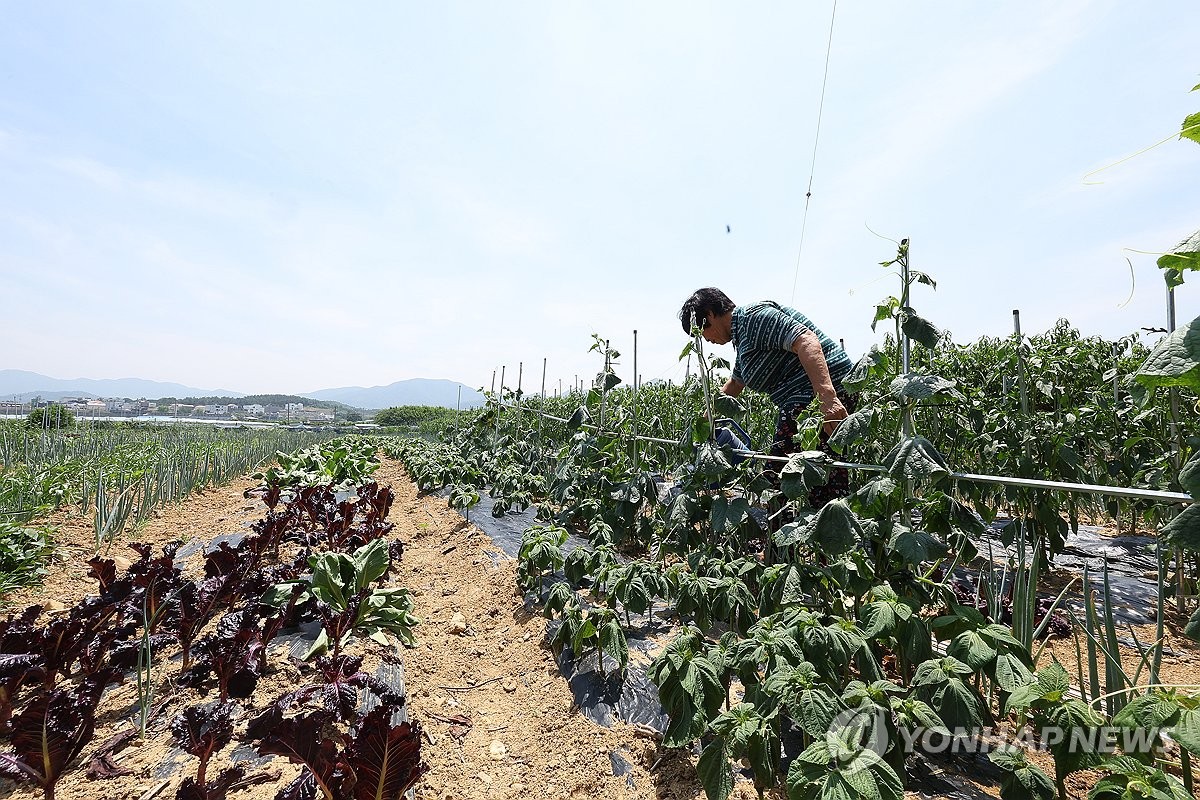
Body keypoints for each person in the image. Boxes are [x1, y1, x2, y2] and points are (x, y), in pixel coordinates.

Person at [678, 287, 857, 507]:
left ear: (710, 314)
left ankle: (786, 538)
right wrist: (702, 424)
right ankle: (817, 532)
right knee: (816, 475)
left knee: (781, 477)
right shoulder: (743, 338)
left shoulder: (754, 318)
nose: (705, 340)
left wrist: (828, 398)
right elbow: (734, 384)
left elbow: (806, 341)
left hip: (817, 396)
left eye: (701, 333)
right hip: (804, 398)